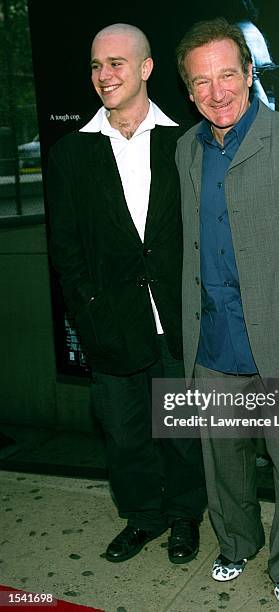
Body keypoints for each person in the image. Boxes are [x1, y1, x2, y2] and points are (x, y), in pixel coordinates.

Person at [175, 17, 279, 606]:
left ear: (250, 74)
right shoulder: (185, 150)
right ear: (189, 90)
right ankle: (235, 543)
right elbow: (193, 251)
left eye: (228, 74)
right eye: (202, 81)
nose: (217, 92)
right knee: (223, 466)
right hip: (216, 346)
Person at [47, 23, 206, 566]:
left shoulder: (186, 140)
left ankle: (186, 517)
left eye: (116, 63)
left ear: (146, 68)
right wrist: (88, 314)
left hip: (178, 321)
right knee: (126, 434)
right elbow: (64, 248)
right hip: (109, 322)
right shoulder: (72, 154)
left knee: (182, 433)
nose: (103, 75)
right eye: (96, 65)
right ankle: (143, 518)